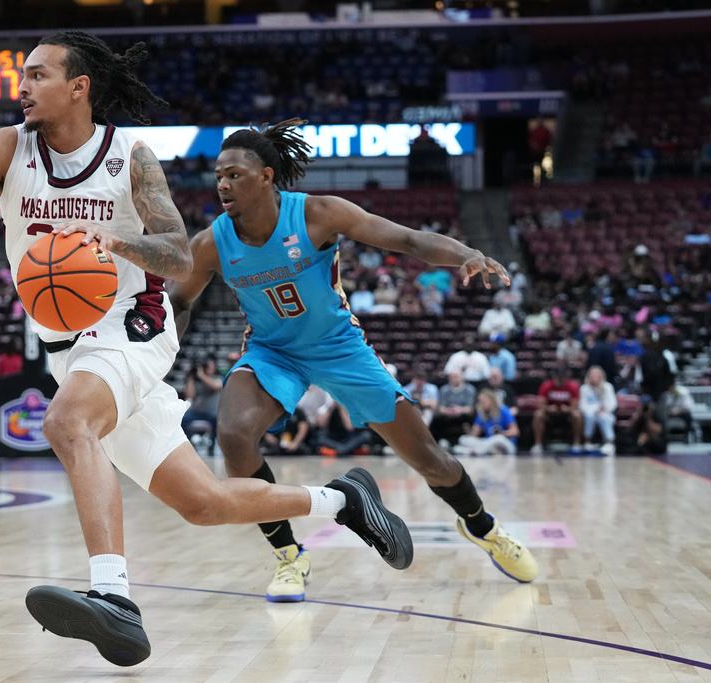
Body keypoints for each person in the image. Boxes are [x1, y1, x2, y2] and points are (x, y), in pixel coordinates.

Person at [0, 33, 413, 667]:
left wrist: (111, 240)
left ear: (78, 86)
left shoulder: (131, 157)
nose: (23, 86)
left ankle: (115, 599)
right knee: (202, 503)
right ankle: (344, 499)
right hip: (68, 347)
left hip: (132, 324)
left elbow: (178, 255)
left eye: (38, 75)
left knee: (67, 423)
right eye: (23, 76)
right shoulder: (9, 148)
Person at [168, 118, 536, 604]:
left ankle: (483, 527)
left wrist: (465, 252)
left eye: (234, 174)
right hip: (273, 352)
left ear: (266, 176)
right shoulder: (211, 242)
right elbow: (180, 302)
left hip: (340, 348)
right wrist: (155, 349)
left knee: (431, 460)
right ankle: (289, 557)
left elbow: (405, 239)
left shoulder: (319, 214)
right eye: (218, 174)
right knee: (233, 435)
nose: (222, 184)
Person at [531, 364, 583, 454]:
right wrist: (548, 408)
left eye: (562, 380)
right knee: (538, 414)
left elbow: (575, 406)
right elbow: (540, 404)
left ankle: (576, 444)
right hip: (550, 414)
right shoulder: (546, 386)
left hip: (567, 414)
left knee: (577, 415)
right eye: (557, 379)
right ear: (553, 377)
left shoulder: (573, 386)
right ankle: (538, 444)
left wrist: (567, 409)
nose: (559, 382)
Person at [454, 389, 519, 456]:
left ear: (491, 400)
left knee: (498, 438)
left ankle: (471, 451)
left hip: (505, 443)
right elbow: (475, 434)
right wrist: (469, 431)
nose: (481, 404)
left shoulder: (504, 410)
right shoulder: (481, 414)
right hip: (487, 442)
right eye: (480, 402)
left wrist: (501, 433)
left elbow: (515, 431)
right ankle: (481, 451)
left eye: (483, 402)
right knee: (463, 439)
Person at [579, 365, 618, 456]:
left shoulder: (608, 387)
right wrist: (595, 409)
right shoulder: (584, 388)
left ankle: (610, 443)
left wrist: (605, 410)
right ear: (589, 376)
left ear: (601, 376)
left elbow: (613, 404)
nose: (595, 377)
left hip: (605, 413)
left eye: (597, 374)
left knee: (605, 418)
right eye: (593, 374)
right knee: (589, 417)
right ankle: (587, 441)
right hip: (590, 413)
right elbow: (582, 405)